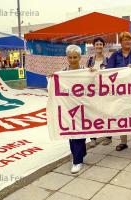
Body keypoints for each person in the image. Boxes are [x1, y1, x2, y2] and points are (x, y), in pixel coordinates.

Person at [48, 45, 87, 174]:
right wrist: (52, 78)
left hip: (83, 107)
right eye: (70, 57)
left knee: (81, 133)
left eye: (75, 57)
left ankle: (79, 156)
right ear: (67, 58)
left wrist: (93, 73)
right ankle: (77, 159)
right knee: (72, 134)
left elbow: (94, 83)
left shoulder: (85, 71)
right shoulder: (62, 72)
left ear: (80, 57)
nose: (72, 59)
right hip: (69, 108)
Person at [107, 32, 131, 153]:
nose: (127, 42)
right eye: (125, 40)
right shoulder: (115, 55)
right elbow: (109, 72)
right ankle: (123, 142)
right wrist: (123, 72)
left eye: (129, 39)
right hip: (120, 93)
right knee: (122, 116)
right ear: (121, 42)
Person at [86, 37, 112, 147]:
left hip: (105, 92)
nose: (99, 46)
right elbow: (85, 75)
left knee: (106, 113)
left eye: (101, 44)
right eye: (97, 44)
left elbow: (112, 75)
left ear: (103, 46)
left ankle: (108, 136)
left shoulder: (108, 60)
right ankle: (93, 138)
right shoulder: (90, 61)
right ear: (94, 46)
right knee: (93, 114)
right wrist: (89, 71)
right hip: (93, 92)